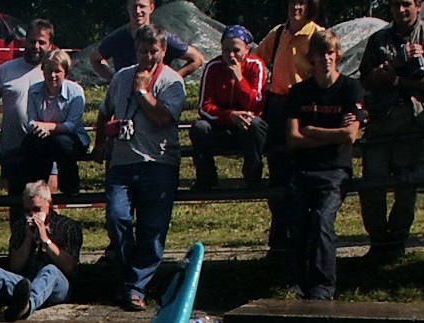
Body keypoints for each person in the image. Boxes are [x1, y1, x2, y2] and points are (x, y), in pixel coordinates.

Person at [95, 23, 186, 311]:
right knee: (117, 217)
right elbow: (104, 112)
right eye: (143, 51)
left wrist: (144, 92)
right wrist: (101, 141)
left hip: (157, 163)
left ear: (163, 51)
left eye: (154, 51)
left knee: (152, 228)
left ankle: (136, 287)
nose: (148, 57)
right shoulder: (121, 77)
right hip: (122, 164)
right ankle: (129, 275)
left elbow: (163, 118)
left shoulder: (173, 82)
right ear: (136, 50)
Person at [358, 0, 424, 262]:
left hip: (413, 121)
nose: (402, 11)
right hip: (381, 121)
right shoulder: (378, 40)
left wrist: (398, 80)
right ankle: (377, 242)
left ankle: (397, 241)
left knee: (406, 185)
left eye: (407, 4)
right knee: (372, 185)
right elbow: (366, 79)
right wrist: (393, 65)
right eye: (396, 5)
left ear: (418, 6)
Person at [283, 29, 366, 300]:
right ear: (312, 58)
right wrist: (332, 135)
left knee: (322, 221)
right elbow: (293, 138)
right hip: (303, 169)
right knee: (297, 223)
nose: (326, 59)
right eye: (321, 54)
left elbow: (350, 135)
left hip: (334, 170)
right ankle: (295, 282)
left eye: (331, 53)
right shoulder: (299, 92)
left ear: (337, 56)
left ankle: (323, 286)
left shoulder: (350, 88)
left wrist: (315, 131)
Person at [0, 180, 83, 321]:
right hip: (26, 283)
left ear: (49, 203)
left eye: (37, 209)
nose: (32, 214)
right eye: (27, 210)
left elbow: (70, 267)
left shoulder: (68, 226)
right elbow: (15, 266)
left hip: (58, 285)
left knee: (50, 271)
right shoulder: (21, 226)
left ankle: (26, 305)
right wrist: (27, 240)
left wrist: (46, 241)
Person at [255, 0, 325, 255]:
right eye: (293, 1)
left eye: (302, 2)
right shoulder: (277, 33)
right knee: (278, 175)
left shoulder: (318, 35)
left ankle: (303, 240)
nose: (296, 6)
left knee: (304, 177)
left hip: (306, 108)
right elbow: (256, 59)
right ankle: (279, 240)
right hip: (277, 108)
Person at [190, 24, 269, 190]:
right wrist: (229, 116)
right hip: (222, 127)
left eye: (236, 50)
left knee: (255, 124)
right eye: (226, 50)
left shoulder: (256, 66)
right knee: (199, 128)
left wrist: (239, 79)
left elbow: (256, 104)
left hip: (247, 129)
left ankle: (253, 176)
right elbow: (205, 107)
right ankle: (207, 177)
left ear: (247, 49)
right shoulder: (213, 67)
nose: (230, 55)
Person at [0, 18, 54, 202]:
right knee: (16, 204)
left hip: (45, 151)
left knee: (46, 205)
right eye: (32, 41)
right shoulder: (5, 70)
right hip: (12, 149)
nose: (36, 46)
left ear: (50, 44)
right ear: (24, 41)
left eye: (42, 42)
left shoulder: (54, 73)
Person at [20, 50, 90, 196]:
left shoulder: (76, 92)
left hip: (71, 137)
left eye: (57, 71)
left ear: (66, 72)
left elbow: (72, 124)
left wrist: (49, 127)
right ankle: (37, 190)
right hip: (43, 136)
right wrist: (39, 127)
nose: (52, 75)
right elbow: (31, 120)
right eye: (49, 70)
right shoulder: (34, 91)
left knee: (61, 143)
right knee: (30, 143)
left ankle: (70, 188)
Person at [90, 0, 204, 83]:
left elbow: (197, 59)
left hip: (156, 94)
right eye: (134, 6)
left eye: (142, 6)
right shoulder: (117, 39)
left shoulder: (163, 38)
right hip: (127, 93)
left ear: (151, 7)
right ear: (128, 8)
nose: (138, 11)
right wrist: (115, 79)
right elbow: (95, 59)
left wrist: (173, 78)